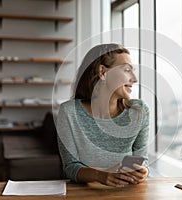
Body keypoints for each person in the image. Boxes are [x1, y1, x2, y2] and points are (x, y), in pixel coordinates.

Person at [56, 43, 150, 187]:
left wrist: (143, 171)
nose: (134, 79)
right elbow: (70, 167)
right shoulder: (68, 112)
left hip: (128, 192)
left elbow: (142, 160)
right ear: (103, 72)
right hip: (85, 194)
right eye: (127, 70)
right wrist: (101, 175)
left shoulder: (139, 111)